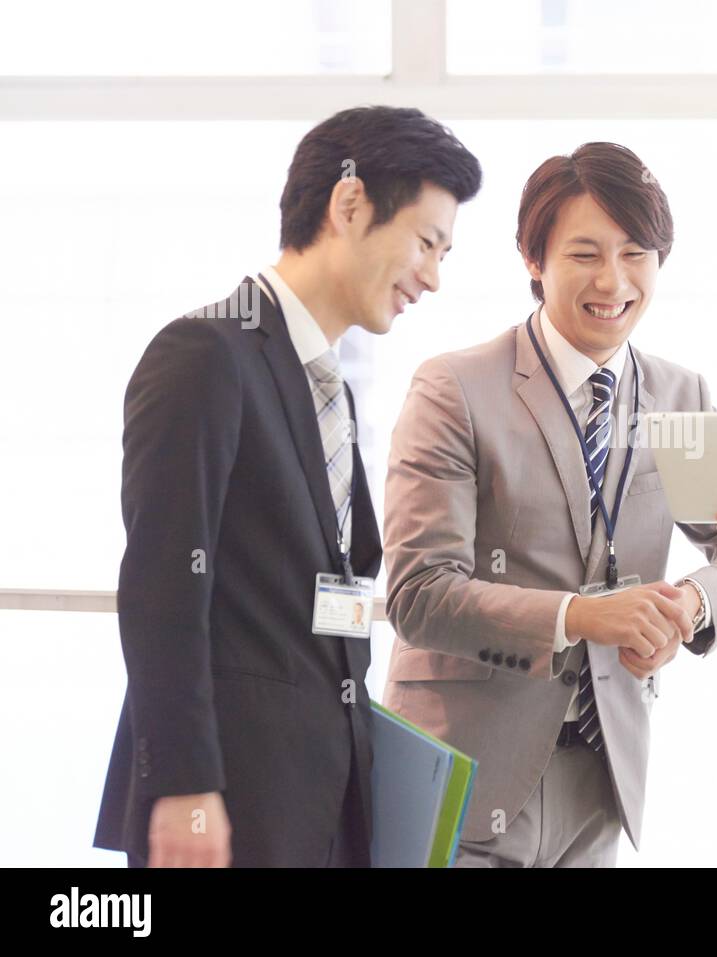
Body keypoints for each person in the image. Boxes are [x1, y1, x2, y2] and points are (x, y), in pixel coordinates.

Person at [382, 141, 717, 867]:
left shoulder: (678, 397)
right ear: (532, 260)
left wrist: (690, 605)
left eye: (637, 253)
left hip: (599, 781)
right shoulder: (455, 389)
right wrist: (577, 616)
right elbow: (419, 593)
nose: (614, 280)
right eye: (585, 254)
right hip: (462, 774)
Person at [93, 106, 482, 867]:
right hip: (230, 802)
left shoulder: (325, 386)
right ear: (349, 205)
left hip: (325, 803)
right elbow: (161, 586)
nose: (433, 277)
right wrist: (183, 786)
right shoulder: (206, 353)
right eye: (427, 243)